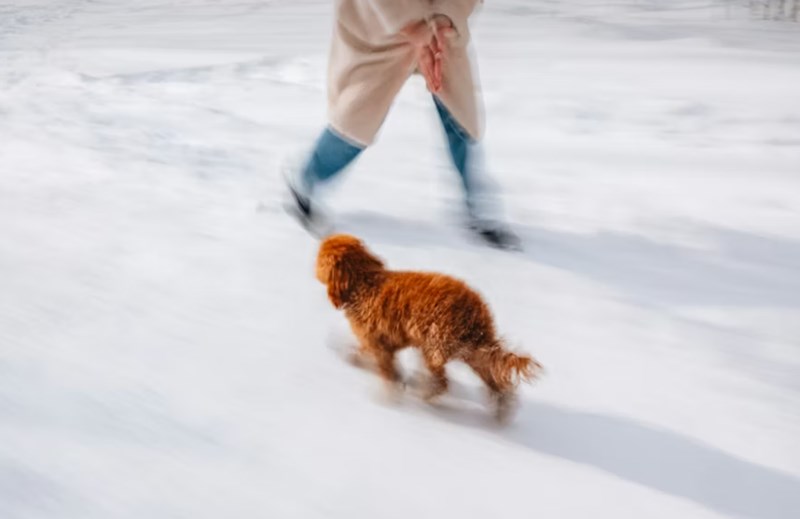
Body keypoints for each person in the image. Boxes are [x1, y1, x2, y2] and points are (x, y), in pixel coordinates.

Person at [285, 0, 519, 249]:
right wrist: (411, 24)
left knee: (460, 116)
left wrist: (445, 17)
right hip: (378, 27)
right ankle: (305, 180)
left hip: (440, 26)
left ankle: (478, 204)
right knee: (355, 121)